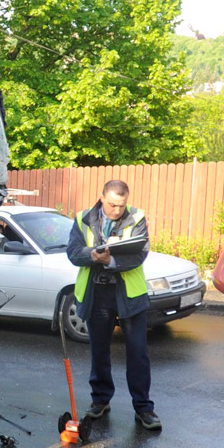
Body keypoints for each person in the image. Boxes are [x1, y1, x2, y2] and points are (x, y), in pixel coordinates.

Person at [65, 179, 161, 431]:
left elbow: (139, 254)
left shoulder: (137, 218)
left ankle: (144, 408)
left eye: (121, 205)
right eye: (112, 205)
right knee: (99, 350)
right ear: (102, 197)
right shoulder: (83, 218)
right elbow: (73, 252)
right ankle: (100, 400)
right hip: (97, 293)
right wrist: (92, 255)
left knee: (138, 352)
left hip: (129, 294)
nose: (116, 210)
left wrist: (110, 261)